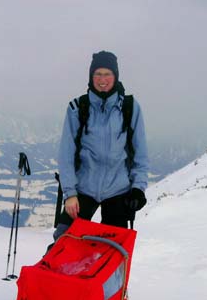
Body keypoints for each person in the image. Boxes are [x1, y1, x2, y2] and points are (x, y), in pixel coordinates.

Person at [53, 50, 149, 241]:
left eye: (107, 74)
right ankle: (47, 272)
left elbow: (140, 153)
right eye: (97, 74)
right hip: (83, 189)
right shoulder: (77, 107)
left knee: (112, 252)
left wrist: (138, 188)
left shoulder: (130, 107)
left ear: (115, 76)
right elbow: (66, 154)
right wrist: (70, 194)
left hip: (118, 190)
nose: (102, 79)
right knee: (64, 241)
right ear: (91, 76)